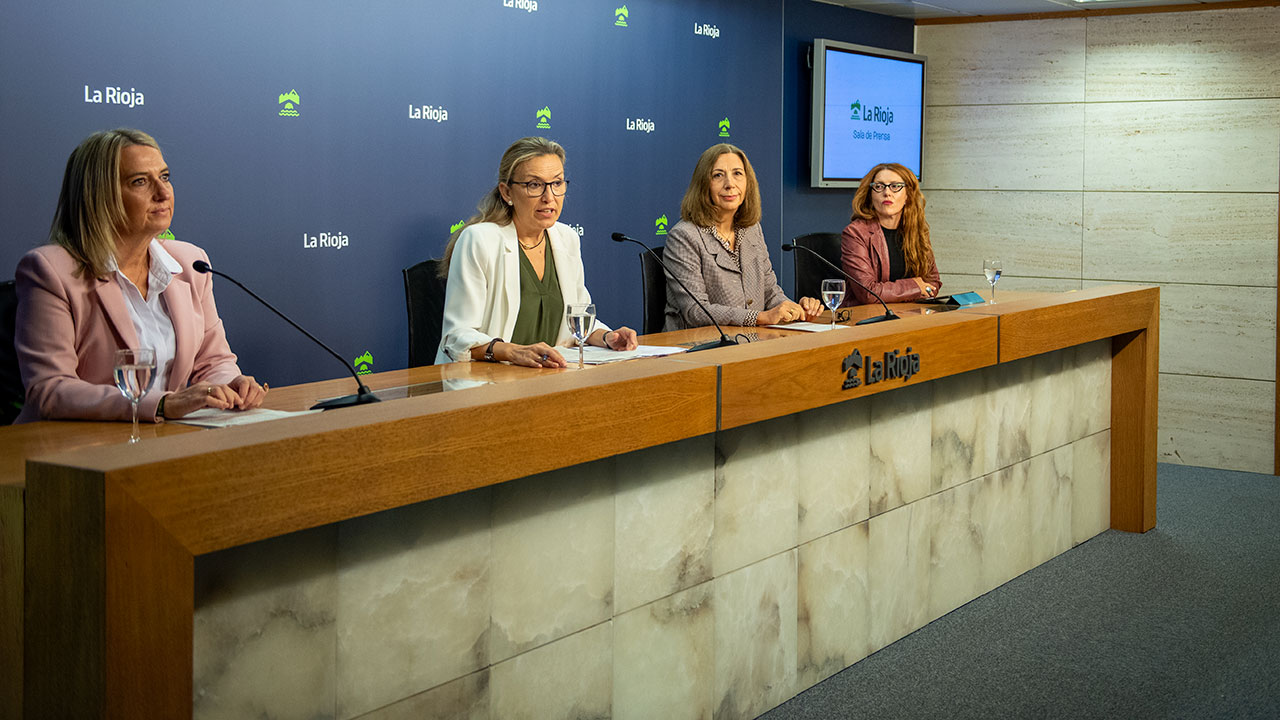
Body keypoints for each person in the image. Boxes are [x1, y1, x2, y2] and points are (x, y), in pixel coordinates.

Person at [13, 128, 265, 424]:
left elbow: (214, 361)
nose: (162, 192)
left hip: (160, 442)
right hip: (72, 450)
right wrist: (161, 405)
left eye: (165, 177)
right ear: (100, 196)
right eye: (140, 182)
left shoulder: (190, 263)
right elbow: (50, 390)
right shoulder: (50, 271)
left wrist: (230, 384)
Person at [436, 137, 637, 366]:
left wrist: (606, 337)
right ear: (507, 192)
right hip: (486, 382)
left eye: (557, 183)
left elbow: (577, 321)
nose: (549, 197)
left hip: (551, 378)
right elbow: (456, 337)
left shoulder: (567, 238)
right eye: (534, 185)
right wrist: (512, 352)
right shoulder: (480, 240)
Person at [663, 144, 821, 331]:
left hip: (749, 340)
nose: (730, 184)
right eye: (718, 175)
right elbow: (696, 311)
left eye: (737, 173)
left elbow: (770, 292)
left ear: (748, 182)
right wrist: (761, 317)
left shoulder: (751, 229)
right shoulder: (684, 236)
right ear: (703, 184)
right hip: (699, 348)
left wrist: (794, 309)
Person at [841, 163, 941, 305]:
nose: (887, 192)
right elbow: (868, 293)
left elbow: (932, 282)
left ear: (908, 194)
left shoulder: (916, 231)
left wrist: (920, 288)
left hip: (909, 315)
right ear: (870, 195)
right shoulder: (855, 233)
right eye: (879, 186)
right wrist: (915, 286)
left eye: (895, 186)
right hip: (868, 319)